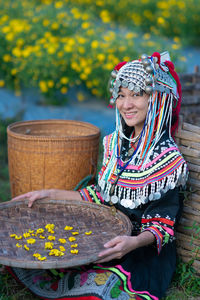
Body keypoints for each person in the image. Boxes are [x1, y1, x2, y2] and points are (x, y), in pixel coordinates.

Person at [9, 51, 188, 300]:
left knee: (102, 289)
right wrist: (49, 193)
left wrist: (132, 242)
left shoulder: (168, 160)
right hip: (104, 232)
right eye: (122, 95)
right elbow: (100, 195)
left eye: (137, 95)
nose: (126, 105)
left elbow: (163, 226)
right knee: (31, 251)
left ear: (157, 99)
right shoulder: (115, 144)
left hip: (140, 249)